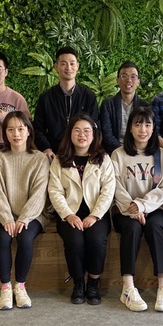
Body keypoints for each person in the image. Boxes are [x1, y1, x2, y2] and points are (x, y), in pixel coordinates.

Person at [111, 107, 163, 312]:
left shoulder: (161, 155)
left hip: (154, 208)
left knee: (155, 228)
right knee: (132, 228)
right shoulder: (118, 154)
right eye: (138, 124)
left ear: (154, 128)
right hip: (125, 209)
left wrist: (143, 205)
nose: (143, 129)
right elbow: (115, 186)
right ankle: (128, 288)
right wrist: (133, 208)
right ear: (130, 128)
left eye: (147, 124)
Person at [49, 114, 116, 305]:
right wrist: (68, 215)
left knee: (96, 239)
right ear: (69, 133)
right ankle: (78, 282)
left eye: (87, 131)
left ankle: (93, 282)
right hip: (69, 213)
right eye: (77, 130)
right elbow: (54, 191)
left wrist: (95, 215)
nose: (82, 135)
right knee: (74, 241)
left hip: (97, 213)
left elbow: (108, 190)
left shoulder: (103, 159)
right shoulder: (59, 160)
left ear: (94, 135)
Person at [0, 111, 51, 310]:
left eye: (21, 129)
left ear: (29, 131)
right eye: (11, 129)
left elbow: (39, 194)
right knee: (3, 237)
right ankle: (5, 288)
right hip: (4, 214)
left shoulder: (39, 159)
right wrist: (7, 218)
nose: (16, 134)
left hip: (33, 215)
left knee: (24, 237)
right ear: (4, 133)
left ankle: (20, 286)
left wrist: (24, 218)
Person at [33, 46, 98, 158]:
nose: (68, 67)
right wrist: (46, 148)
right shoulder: (46, 98)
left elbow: (95, 126)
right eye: (63, 63)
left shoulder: (88, 96)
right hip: (54, 154)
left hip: (83, 153)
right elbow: (38, 128)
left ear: (77, 66)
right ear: (56, 67)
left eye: (72, 63)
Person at [99, 61, 149, 153]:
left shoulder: (144, 106)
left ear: (138, 82)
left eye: (133, 76)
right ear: (117, 81)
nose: (129, 80)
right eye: (124, 76)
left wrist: (134, 150)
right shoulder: (108, 104)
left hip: (138, 151)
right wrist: (123, 151)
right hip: (113, 152)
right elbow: (107, 135)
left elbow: (146, 133)